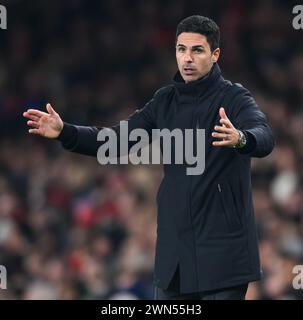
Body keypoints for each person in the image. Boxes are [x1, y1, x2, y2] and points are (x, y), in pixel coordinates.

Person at [23, 15, 275, 300]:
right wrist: (64, 132)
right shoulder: (164, 101)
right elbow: (116, 140)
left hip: (223, 257)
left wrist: (241, 138)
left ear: (215, 54)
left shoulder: (234, 98)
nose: (187, 58)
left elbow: (264, 136)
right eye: (181, 49)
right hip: (175, 258)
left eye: (197, 50)